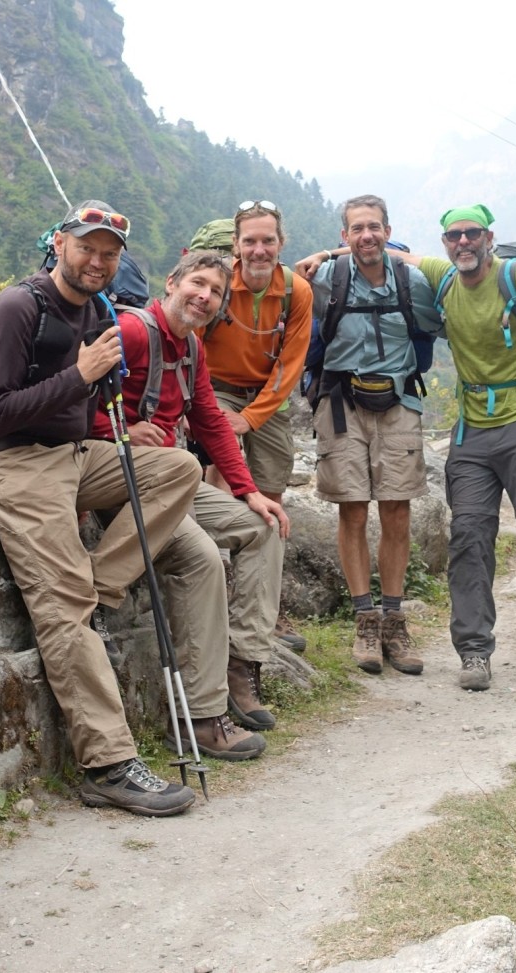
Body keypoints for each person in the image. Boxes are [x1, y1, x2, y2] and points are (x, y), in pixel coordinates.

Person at [300, 204, 516, 692]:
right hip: (471, 429)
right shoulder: (443, 275)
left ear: (488, 236)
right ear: (445, 243)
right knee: (468, 541)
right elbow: (379, 248)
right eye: (455, 236)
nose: (464, 243)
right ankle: (474, 653)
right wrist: (327, 251)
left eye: (472, 234)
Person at [0, 199, 203, 816]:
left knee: (180, 468)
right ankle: (108, 763)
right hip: (13, 465)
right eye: (86, 247)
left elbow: (90, 398)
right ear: (59, 244)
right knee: (63, 611)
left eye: (109, 253)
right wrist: (80, 374)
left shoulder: (97, 310)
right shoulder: (19, 307)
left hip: (73, 457)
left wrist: (96, 382)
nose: (97, 260)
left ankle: (100, 582)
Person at [91, 250, 290, 747]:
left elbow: (210, 421)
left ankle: (243, 663)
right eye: (197, 284)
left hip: (171, 479)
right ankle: (202, 717)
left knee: (263, 526)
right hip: (117, 477)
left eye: (216, 292)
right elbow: (73, 398)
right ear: (172, 282)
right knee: (201, 559)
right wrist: (118, 434)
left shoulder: (191, 350)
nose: (204, 297)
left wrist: (247, 491)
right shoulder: (134, 332)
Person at [303, 195, 442, 676]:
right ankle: (365, 621)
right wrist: (323, 258)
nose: (367, 236)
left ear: (388, 230)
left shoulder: (413, 281)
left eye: (375, 227)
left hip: (400, 400)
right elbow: (286, 295)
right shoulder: (325, 279)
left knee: (398, 508)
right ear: (344, 236)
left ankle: (394, 621)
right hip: (341, 403)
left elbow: (446, 316)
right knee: (353, 508)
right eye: (357, 228)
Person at [199, 200, 314, 654]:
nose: (259, 249)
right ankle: (219, 595)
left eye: (268, 240)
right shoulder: (219, 286)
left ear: (281, 244)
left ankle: (266, 606)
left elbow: (290, 365)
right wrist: (217, 415)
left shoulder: (296, 292)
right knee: (219, 481)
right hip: (216, 389)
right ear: (236, 245)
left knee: (271, 492)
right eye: (250, 241)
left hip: (265, 396)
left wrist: (250, 418)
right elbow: (193, 346)